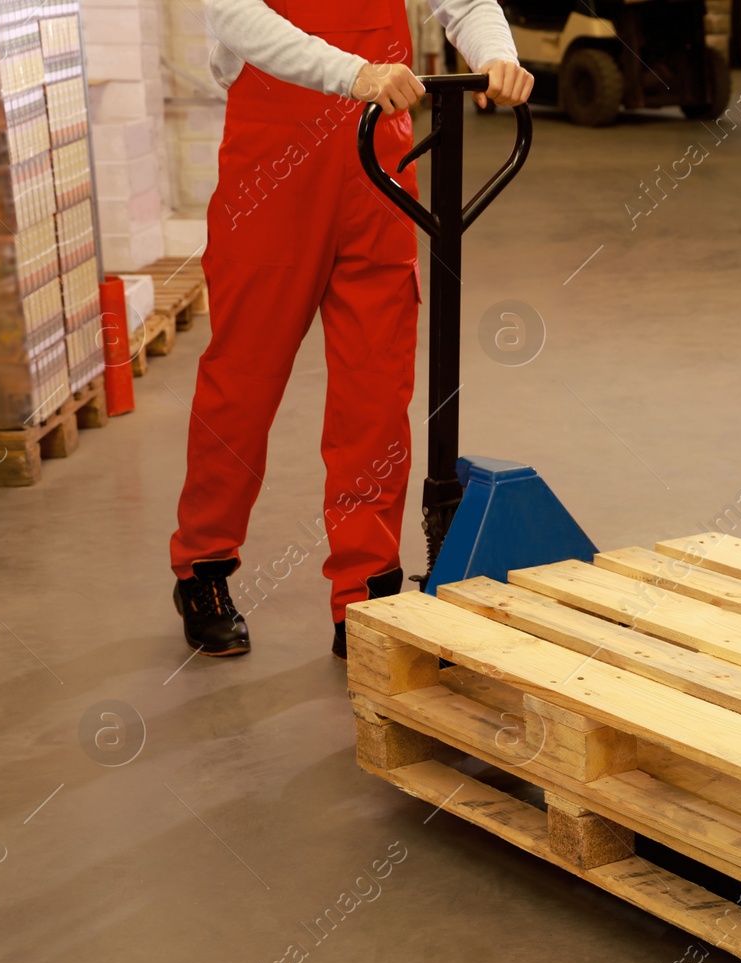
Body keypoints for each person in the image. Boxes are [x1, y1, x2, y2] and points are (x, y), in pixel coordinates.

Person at [169, 0, 533, 660]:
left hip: (379, 168)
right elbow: (233, 16)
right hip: (273, 175)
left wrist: (495, 56)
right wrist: (355, 73)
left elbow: (466, 3)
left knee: (376, 388)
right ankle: (204, 566)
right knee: (243, 382)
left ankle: (365, 590)